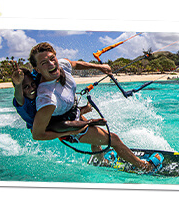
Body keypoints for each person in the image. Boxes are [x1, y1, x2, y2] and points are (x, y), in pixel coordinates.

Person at [29, 42, 164, 173]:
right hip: (68, 127)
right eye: (44, 63)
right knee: (114, 139)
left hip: (73, 115)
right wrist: (69, 132)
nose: (51, 64)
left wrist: (100, 68)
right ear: (37, 69)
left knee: (96, 132)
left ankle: (100, 160)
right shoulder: (47, 98)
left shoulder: (62, 65)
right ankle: (144, 167)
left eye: (52, 59)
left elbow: (75, 64)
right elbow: (37, 134)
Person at [11, 61, 107, 135]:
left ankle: (99, 156)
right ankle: (90, 122)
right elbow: (18, 95)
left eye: (32, 84)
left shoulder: (35, 82)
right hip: (43, 125)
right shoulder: (22, 101)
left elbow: (41, 70)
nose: (32, 88)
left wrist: (58, 69)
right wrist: (18, 84)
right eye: (26, 87)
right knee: (60, 124)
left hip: (53, 114)